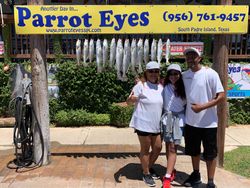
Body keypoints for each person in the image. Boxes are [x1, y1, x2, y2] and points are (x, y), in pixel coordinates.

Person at [182, 47, 225, 188]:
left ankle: (211, 182)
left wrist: (202, 107)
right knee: (194, 151)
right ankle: (196, 175)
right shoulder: (184, 75)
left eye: (193, 55)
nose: (190, 58)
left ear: (199, 58)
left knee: (210, 155)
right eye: (188, 55)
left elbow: (221, 96)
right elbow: (170, 86)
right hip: (191, 122)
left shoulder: (210, 73)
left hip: (209, 123)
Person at [127, 61, 163, 187]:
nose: (153, 73)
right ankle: (146, 173)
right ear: (146, 73)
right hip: (143, 123)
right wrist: (130, 100)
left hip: (156, 125)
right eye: (151, 71)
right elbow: (129, 102)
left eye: (156, 71)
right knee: (145, 150)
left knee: (158, 148)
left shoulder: (161, 87)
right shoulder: (140, 86)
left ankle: (147, 167)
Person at [161, 64, 186, 188]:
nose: (173, 76)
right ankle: (171, 170)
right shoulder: (164, 85)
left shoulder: (185, 86)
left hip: (179, 120)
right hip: (167, 119)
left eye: (176, 73)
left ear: (180, 75)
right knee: (168, 146)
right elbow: (147, 80)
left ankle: (167, 177)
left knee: (172, 148)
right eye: (171, 73)